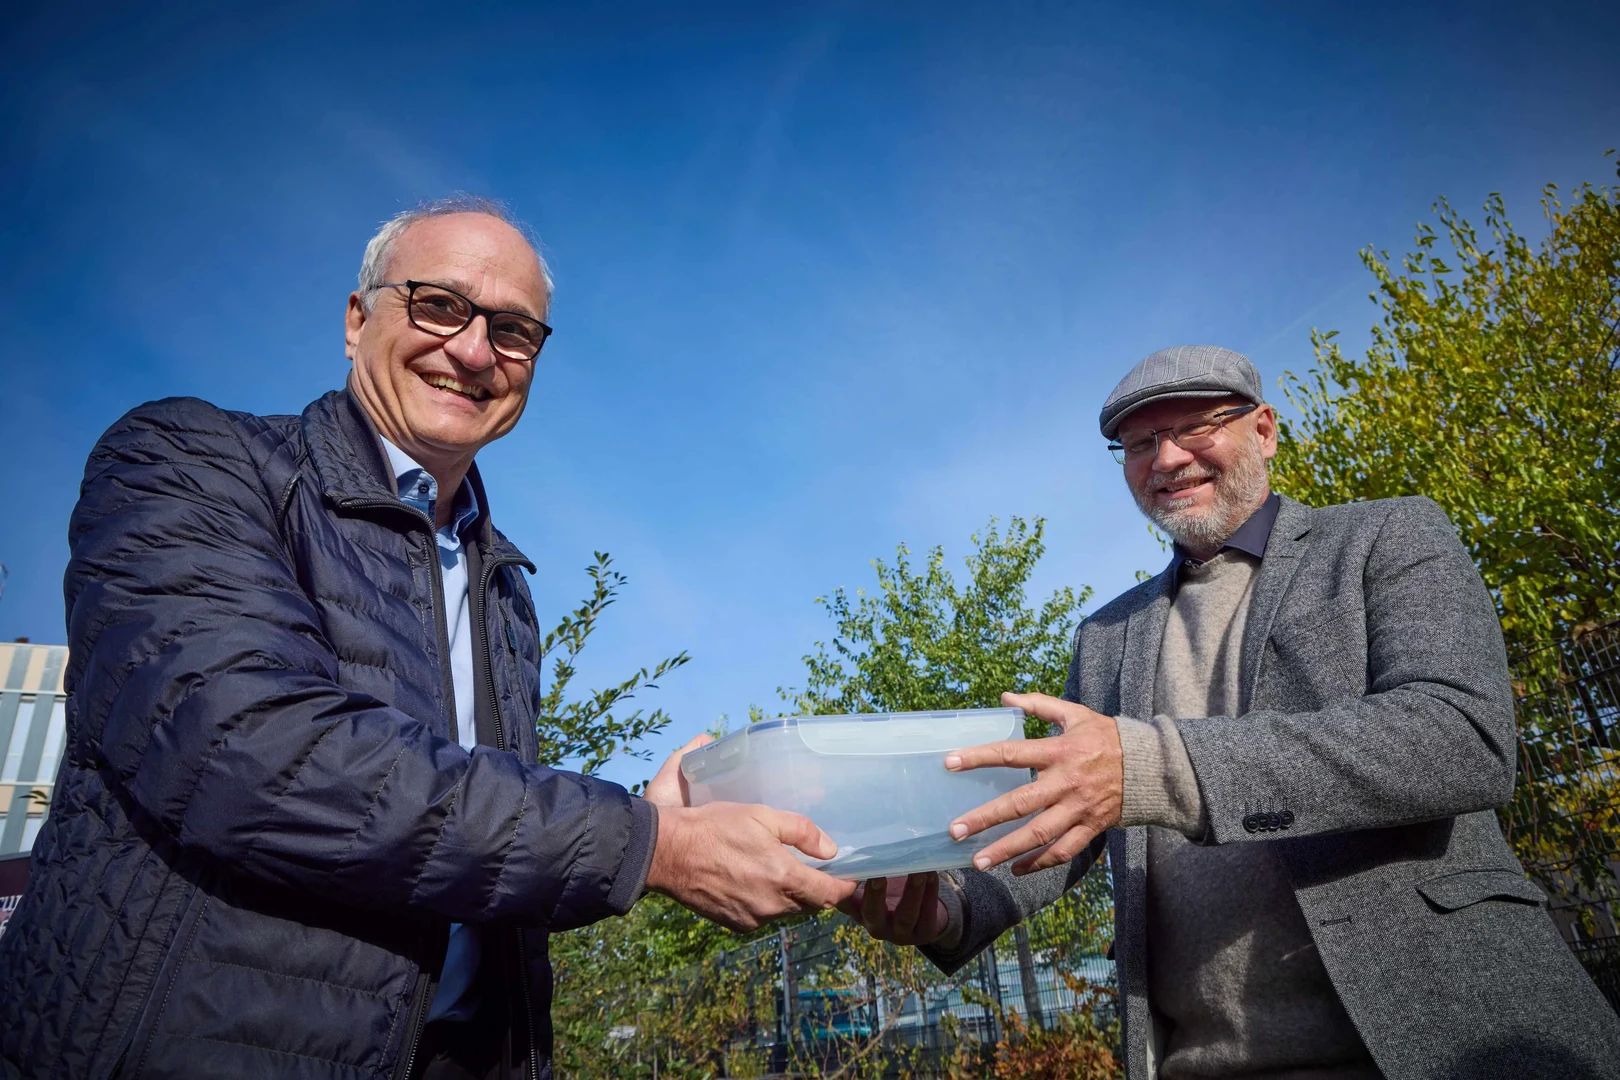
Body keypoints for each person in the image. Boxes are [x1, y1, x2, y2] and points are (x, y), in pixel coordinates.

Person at [0, 196, 854, 1080]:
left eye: (513, 330)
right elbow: (252, 753)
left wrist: (663, 817)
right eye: (439, 305)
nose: (475, 351)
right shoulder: (189, 460)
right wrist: (647, 845)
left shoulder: (505, 589)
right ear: (357, 319)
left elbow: (471, 842)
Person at [845, 345, 1620, 1079]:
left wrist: (1156, 766)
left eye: (1194, 426)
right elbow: (1066, 815)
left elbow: (1461, 737)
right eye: (1139, 444)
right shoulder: (1106, 634)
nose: (1167, 458)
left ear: (1265, 430)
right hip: (1199, 1062)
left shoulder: (1386, 535)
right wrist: (947, 908)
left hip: (1439, 1041)